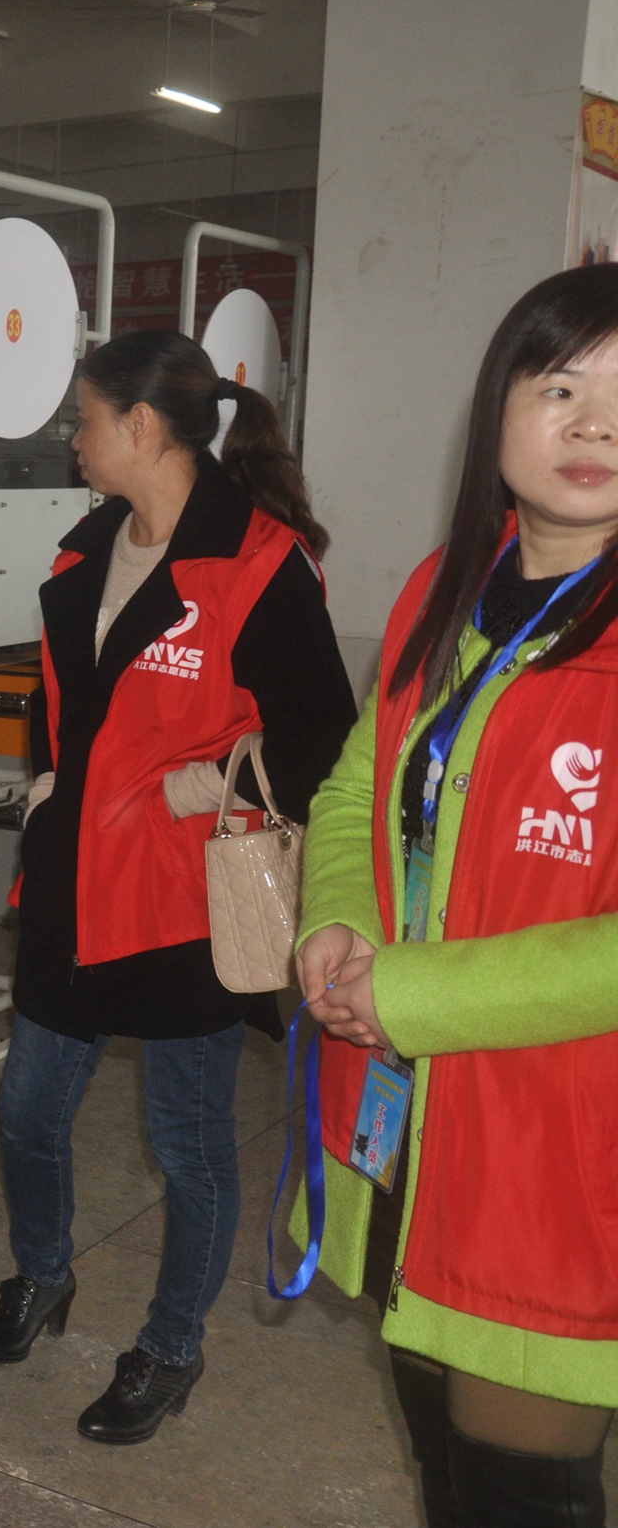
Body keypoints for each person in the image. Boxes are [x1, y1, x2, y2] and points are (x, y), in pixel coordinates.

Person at [0, 327, 356, 1443]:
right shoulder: (83, 552)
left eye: (85, 419)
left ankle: (171, 1346)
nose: (75, 439)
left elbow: (325, 737)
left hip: (188, 896)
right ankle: (43, 1273)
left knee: (189, 1144)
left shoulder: (258, 561)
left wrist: (208, 787)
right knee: (26, 1111)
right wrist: (48, 781)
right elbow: (62, 695)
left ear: (140, 424)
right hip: (73, 880)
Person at [297, 265, 618, 1523]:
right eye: (561, 386)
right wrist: (337, 918)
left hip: (560, 1152)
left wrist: (413, 993)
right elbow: (355, 783)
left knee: (517, 1489)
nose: (596, 424)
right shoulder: (450, 586)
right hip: (409, 1126)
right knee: (443, 1460)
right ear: (500, 410)